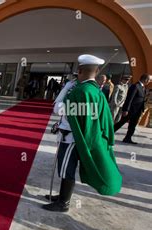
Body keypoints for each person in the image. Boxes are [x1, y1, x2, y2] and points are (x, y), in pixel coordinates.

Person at [43, 54, 122, 212]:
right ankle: (62, 196)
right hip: (78, 137)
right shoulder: (94, 90)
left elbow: (58, 108)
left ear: (79, 71)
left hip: (71, 138)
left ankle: (63, 203)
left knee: (66, 168)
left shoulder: (81, 91)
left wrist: (66, 88)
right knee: (68, 168)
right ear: (97, 71)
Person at [114, 74, 151, 144]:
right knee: (120, 123)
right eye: (149, 80)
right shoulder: (135, 86)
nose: (149, 81)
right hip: (130, 110)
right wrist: (126, 110)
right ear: (145, 79)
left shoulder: (143, 87)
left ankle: (127, 138)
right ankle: (108, 134)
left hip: (137, 111)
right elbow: (129, 99)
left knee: (132, 125)